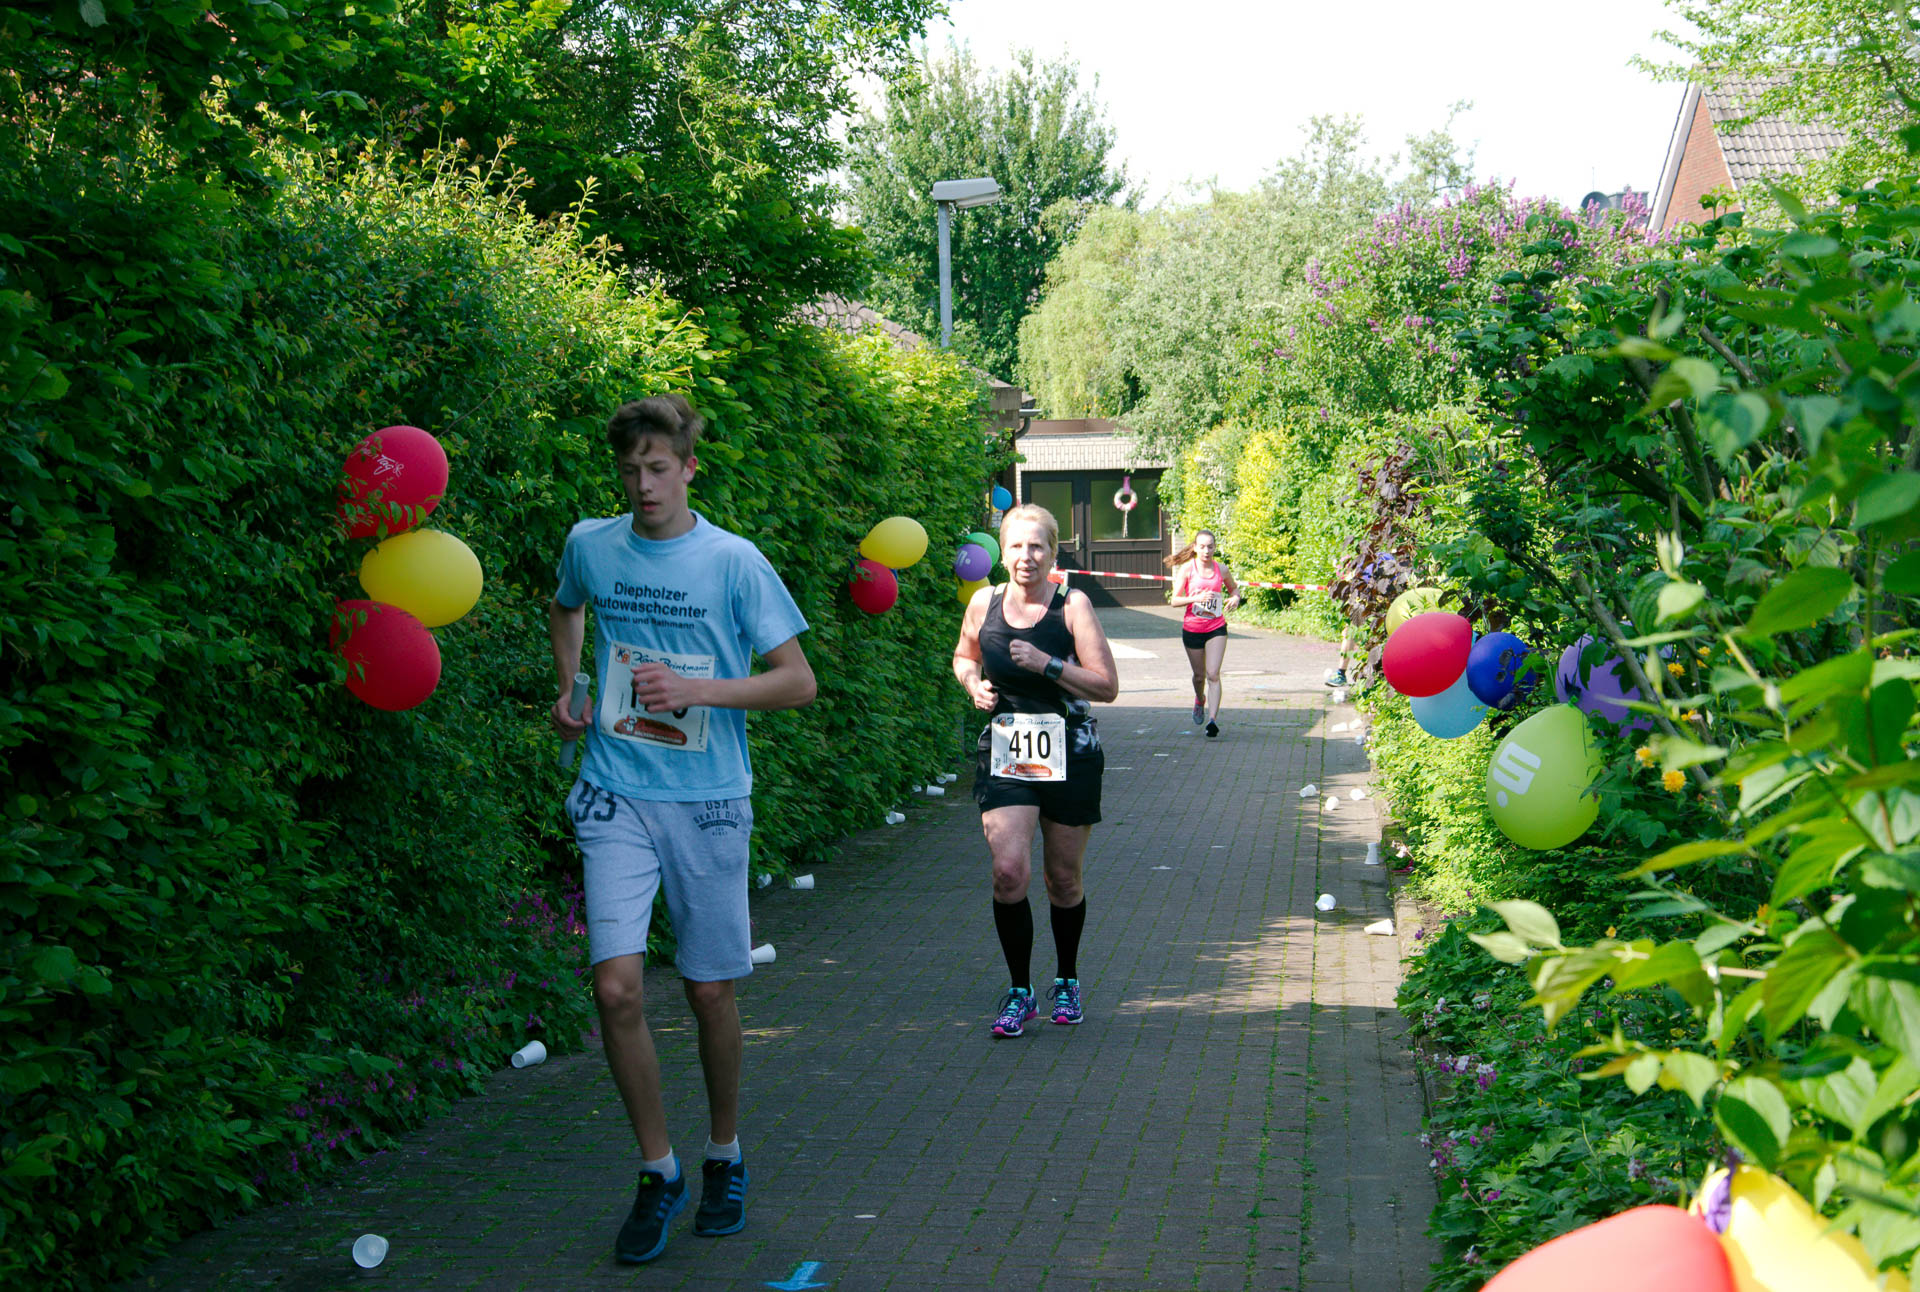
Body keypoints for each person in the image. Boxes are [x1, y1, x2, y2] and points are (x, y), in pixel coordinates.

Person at [549, 394, 816, 1265]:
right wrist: (570, 686)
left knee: (708, 991)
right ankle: (657, 1169)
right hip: (615, 792)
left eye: (658, 468)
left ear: (689, 468)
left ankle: (723, 1155)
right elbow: (566, 606)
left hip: (708, 800)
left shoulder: (733, 561)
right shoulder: (592, 544)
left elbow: (797, 681)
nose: (643, 485)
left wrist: (698, 689)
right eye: (630, 470)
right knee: (616, 989)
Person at [953, 504, 1120, 1037]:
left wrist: (1048, 664)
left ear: (1052, 553)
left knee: (1062, 879)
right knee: (1008, 872)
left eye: (1037, 546)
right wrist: (973, 684)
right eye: (1017, 546)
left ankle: (1066, 979)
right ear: (1003, 553)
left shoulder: (1072, 605)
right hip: (1008, 748)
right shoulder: (983, 602)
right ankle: (1020, 991)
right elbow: (964, 656)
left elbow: (1107, 686)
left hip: (1071, 750)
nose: (1026, 556)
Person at [1167, 530, 1240, 737]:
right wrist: (1195, 599)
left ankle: (1212, 720)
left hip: (1216, 627)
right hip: (1193, 628)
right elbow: (1174, 600)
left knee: (1213, 674)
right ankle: (1200, 699)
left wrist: (1235, 598)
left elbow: (1234, 589)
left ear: (1215, 548)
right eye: (1202, 547)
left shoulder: (1221, 569)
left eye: (1210, 546)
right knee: (1199, 677)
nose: (1206, 551)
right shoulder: (1188, 569)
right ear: (1195, 548)